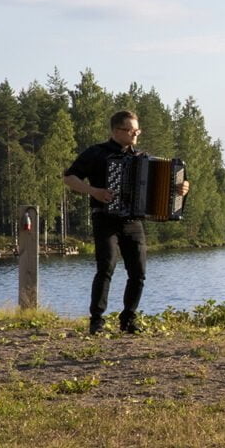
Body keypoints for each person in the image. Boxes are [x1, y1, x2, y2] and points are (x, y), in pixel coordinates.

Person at [63, 110, 190, 335]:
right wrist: (95, 191)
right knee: (106, 267)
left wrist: (180, 189)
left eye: (137, 130)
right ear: (115, 130)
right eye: (131, 130)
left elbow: (160, 191)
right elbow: (69, 177)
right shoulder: (96, 153)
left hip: (133, 220)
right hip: (104, 217)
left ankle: (128, 319)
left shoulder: (142, 158)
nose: (135, 134)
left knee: (138, 272)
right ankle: (97, 321)